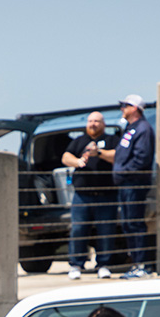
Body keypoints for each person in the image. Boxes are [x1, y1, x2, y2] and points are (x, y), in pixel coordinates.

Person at [102, 95, 155, 278]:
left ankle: (143, 266)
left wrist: (124, 171)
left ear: (135, 108)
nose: (122, 109)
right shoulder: (129, 128)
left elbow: (142, 158)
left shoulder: (143, 129)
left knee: (135, 223)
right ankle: (136, 264)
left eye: (125, 106)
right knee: (127, 224)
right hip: (125, 184)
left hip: (134, 183)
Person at [61, 111, 117, 280]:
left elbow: (118, 157)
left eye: (97, 121)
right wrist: (77, 162)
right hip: (82, 195)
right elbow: (65, 157)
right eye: (90, 121)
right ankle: (76, 265)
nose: (93, 124)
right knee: (78, 229)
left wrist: (99, 153)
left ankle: (103, 265)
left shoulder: (112, 140)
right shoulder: (79, 141)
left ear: (103, 124)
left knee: (106, 230)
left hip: (106, 195)